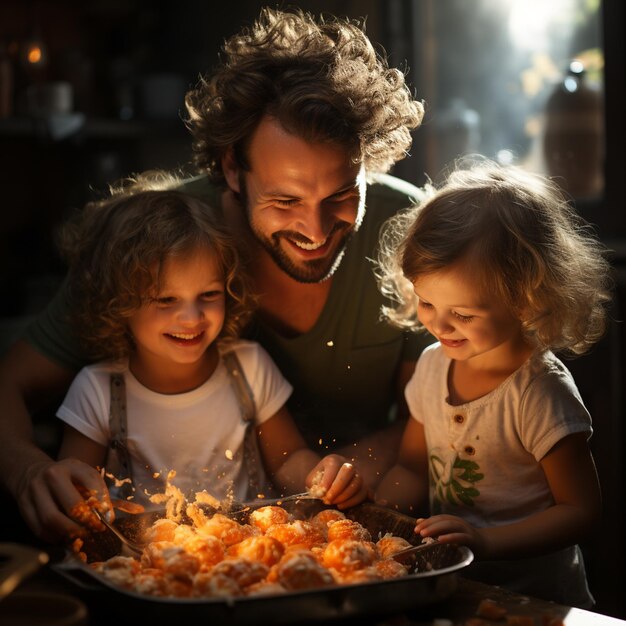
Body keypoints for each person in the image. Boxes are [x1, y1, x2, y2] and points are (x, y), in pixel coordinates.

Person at [0, 7, 430, 542]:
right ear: (232, 168)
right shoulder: (156, 241)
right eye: (285, 199)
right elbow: (9, 384)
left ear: (367, 161)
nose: (315, 229)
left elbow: (441, 412)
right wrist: (27, 472)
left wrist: (365, 462)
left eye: (341, 194)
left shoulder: (414, 234)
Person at [55, 181, 366, 523]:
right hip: (144, 562)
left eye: (208, 295)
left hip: (251, 551)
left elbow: (288, 459)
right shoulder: (98, 391)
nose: (191, 318)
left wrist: (321, 476)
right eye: (166, 299)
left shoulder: (248, 367)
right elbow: (78, 494)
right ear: (119, 303)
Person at [374, 161, 612, 607]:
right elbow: (410, 466)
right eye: (426, 302)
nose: (439, 326)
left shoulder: (539, 393)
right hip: (459, 589)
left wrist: (484, 542)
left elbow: (580, 512)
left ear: (527, 297)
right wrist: (379, 522)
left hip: (536, 598)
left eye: (463, 315)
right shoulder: (431, 366)